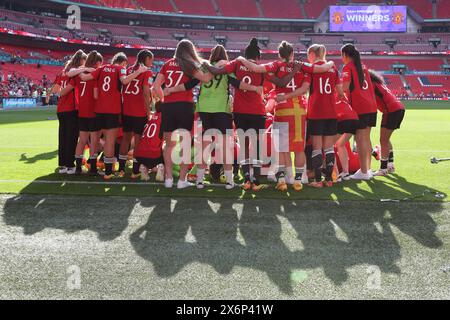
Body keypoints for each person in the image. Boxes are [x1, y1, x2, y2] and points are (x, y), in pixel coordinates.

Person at [237, 41, 335, 191]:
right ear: (292, 54)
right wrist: (331, 63)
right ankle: (298, 180)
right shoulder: (302, 66)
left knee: (282, 147)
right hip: (299, 111)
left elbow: (256, 68)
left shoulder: (276, 65)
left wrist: (241, 59)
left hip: (282, 109)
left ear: (279, 54)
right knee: (299, 148)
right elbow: (308, 84)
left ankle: (282, 179)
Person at [165, 44, 263, 190]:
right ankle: (230, 181)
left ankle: (199, 181)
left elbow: (189, 85)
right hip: (221, 110)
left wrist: (170, 89)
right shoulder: (226, 69)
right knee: (225, 145)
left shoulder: (204, 67)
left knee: (205, 145)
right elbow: (238, 84)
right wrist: (255, 88)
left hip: (204, 108)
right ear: (225, 57)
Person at [204, 38, 271, 191]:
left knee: (245, 146)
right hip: (257, 112)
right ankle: (256, 180)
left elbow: (216, 71)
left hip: (240, 111)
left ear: (245, 54)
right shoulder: (261, 68)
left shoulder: (236, 64)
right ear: (258, 57)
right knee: (257, 146)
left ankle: (247, 179)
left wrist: (206, 63)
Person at [277, 44, 343, 188]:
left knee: (317, 147)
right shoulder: (333, 68)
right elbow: (340, 91)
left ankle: (318, 181)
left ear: (312, 54)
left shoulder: (310, 69)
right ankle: (329, 180)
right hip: (331, 112)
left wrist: (286, 96)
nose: (308, 58)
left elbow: (304, 89)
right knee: (329, 147)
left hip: (316, 112)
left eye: (308, 55)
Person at [153, 39, 213, 189]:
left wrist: (164, 98)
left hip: (169, 107)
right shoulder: (189, 64)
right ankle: (181, 180)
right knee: (185, 144)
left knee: (168, 145)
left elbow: (155, 86)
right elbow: (206, 79)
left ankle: (168, 179)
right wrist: (213, 67)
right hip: (185, 106)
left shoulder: (167, 64)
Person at [79, 52, 147, 180]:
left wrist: (81, 68)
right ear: (123, 63)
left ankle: (93, 167)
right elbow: (124, 80)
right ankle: (108, 172)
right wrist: (139, 71)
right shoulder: (120, 69)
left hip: (98, 110)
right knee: (110, 141)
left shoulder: (101, 68)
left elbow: (83, 77)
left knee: (95, 139)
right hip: (113, 111)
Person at [60, 50, 103, 175]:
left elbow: (67, 87)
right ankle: (93, 168)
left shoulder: (78, 74)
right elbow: (95, 95)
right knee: (94, 140)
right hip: (93, 111)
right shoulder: (96, 74)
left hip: (81, 112)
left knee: (82, 140)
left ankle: (78, 168)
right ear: (98, 62)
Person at [341, 44, 378, 181]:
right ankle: (367, 169)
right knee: (366, 139)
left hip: (360, 107)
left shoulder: (348, 67)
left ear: (345, 55)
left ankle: (363, 172)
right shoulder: (363, 66)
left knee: (361, 139)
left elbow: (344, 87)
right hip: (371, 106)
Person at [47, 50, 86, 174]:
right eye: (84, 61)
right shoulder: (75, 74)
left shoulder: (62, 73)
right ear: (80, 61)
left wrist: (57, 94)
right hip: (71, 109)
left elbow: (56, 90)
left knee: (62, 137)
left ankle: (63, 165)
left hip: (61, 109)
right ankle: (70, 165)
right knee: (72, 138)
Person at [118, 49, 154, 179]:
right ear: (147, 59)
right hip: (139, 111)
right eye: (151, 60)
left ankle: (121, 169)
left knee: (125, 139)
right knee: (138, 140)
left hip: (126, 110)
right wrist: (148, 111)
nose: (152, 63)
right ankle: (135, 170)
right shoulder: (147, 72)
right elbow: (145, 92)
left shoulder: (127, 70)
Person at [369, 70, 405, 176]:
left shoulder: (371, 84)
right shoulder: (378, 83)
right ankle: (390, 165)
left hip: (390, 110)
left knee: (383, 140)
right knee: (386, 139)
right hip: (399, 108)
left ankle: (383, 169)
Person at [134, 108, 164, 182]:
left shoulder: (151, 118)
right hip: (154, 155)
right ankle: (160, 166)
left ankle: (144, 166)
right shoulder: (164, 119)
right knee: (168, 148)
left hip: (139, 155)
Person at [335, 97, 359, 180]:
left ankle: (335, 175)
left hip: (344, 118)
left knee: (328, 147)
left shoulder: (330, 97)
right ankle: (345, 173)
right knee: (340, 144)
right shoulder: (342, 97)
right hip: (354, 119)